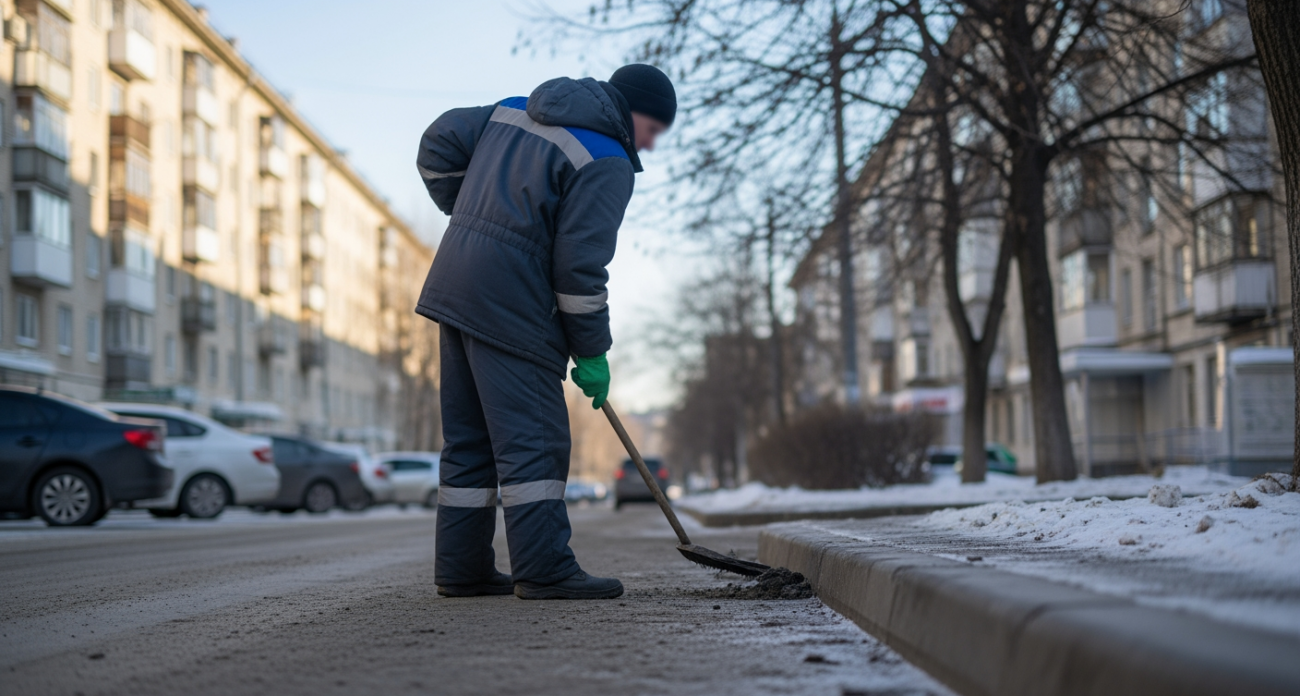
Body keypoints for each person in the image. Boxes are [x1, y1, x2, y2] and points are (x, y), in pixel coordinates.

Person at [414, 65, 676, 599]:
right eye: (653, 129)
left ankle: (463, 568)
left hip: (456, 284)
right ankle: (544, 567)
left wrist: (473, 216)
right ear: (633, 111)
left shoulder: (514, 109)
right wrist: (593, 351)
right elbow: (579, 270)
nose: (650, 144)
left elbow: (437, 143)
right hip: (513, 302)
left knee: (470, 441)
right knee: (534, 439)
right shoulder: (606, 159)